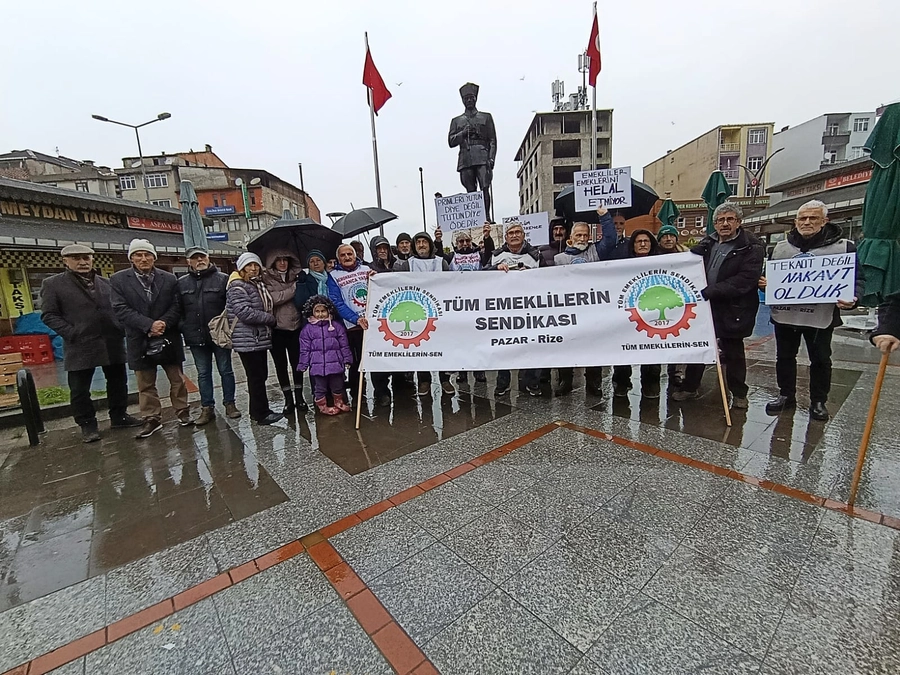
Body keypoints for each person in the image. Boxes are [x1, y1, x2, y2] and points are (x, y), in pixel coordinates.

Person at [763, 200, 862, 421]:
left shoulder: (843, 248)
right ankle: (786, 395)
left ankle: (818, 401)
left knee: (820, 359)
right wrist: (765, 284)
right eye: (803, 218)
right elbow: (769, 278)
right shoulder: (780, 248)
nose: (807, 222)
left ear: (825, 221)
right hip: (786, 314)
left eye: (813, 218)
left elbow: (857, 280)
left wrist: (853, 298)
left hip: (820, 316)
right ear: (795, 221)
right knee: (784, 357)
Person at [40, 244, 141, 442]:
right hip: (80, 344)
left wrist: (120, 327)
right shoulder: (53, 284)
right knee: (79, 388)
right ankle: (87, 424)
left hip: (111, 341)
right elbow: (49, 315)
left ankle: (119, 416)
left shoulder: (106, 283)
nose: (82, 262)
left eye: (86, 258)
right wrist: (71, 332)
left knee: (118, 382)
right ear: (65, 261)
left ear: (92, 259)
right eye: (76, 258)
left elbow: (119, 308)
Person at [675, 204, 765, 409]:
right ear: (715, 223)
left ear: (738, 222)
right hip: (705, 306)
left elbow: (746, 279)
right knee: (697, 348)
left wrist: (712, 291)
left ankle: (739, 393)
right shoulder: (708, 243)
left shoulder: (751, 247)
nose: (725, 223)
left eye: (730, 219)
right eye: (720, 220)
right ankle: (690, 386)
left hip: (733, 307)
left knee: (733, 353)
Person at [110, 239, 190, 438]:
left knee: (177, 379)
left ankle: (182, 410)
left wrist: (163, 323)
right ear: (131, 258)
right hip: (139, 337)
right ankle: (151, 417)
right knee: (145, 383)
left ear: (154, 257)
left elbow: (177, 306)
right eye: (138, 255)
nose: (143, 259)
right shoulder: (119, 280)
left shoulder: (169, 279)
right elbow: (120, 308)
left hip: (167, 335)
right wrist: (148, 325)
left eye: (148, 255)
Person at [553, 209, 617, 397]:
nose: (582, 238)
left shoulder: (595, 251)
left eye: (585, 235)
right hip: (568, 310)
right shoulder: (559, 259)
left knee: (594, 346)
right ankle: (565, 381)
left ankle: (593, 382)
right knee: (565, 346)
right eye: (578, 235)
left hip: (592, 310)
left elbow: (611, 239)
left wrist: (604, 216)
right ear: (571, 238)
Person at [177, 246, 240, 426]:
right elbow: (177, 308)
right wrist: (183, 327)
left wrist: (228, 328)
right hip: (195, 336)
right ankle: (207, 408)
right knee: (203, 373)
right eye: (195, 258)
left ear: (208, 257)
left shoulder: (222, 279)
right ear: (188, 261)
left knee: (226, 370)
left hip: (219, 335)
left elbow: (231, 306)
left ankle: (230, 404)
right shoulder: (181, 283)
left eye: (202, 257)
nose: (199, 260)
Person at [485, 221, 545, 397]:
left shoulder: (535, 256)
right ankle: (502, 383)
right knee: (503, 346)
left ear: (524, 235)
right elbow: (482, 275)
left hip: (529, 310)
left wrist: (531, 274)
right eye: (511, 233)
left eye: (518, 232)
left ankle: (531, 382)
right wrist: (494, 268)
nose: (514, 235)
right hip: (503, 310)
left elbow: (548, 278)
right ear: (506, 237)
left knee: (531, 346)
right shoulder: (496, 256)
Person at [393, 231, 455, 396]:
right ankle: (424, 380)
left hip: (440, 312)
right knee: (421, 347)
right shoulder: (408, 264)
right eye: (418, 242)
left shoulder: (441, 262)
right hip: (418, 312)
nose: (421, 245)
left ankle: (445, 379)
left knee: (442, 346)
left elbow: (452, 284)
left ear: (430, 244)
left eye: (424, 242)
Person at [227, 252, 283, 425]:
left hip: (257, 338)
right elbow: (244, 312)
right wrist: (269, 319)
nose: (253, 268)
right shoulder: (237, 286)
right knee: (256, 377)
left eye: (256, 265)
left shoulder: (255, 284)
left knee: (260, 375)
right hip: (247, 339)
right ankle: (261, 414)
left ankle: (256, 411)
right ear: (241, 268)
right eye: (249, 265)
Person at [433, 224, 491, 384]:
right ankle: (462, 372)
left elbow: (489, 254)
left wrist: (487, 237)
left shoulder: (479, 254)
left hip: (477, 302)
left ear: (471, 241)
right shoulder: (451, 256)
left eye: (467, 241)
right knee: (461, 339)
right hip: (458, 304)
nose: (464, 244)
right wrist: (438, 241)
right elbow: (438, 257)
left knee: (478, 338)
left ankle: (479, 371)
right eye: (461, 241)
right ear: (456, 243)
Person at [612, 230, 664, 399]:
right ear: (632, 245)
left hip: (653, 313)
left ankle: (651, 384)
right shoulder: (624, 265)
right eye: (638, 241)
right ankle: (621, 382)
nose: (642, 244)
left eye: (646, 241)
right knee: (624, 349)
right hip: (628, 313)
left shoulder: (662, 262)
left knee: (653, 351)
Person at [263, 250, 306, 414]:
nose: (282, 263)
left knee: (297, 364)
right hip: (277, 329)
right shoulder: (266, 279)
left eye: (285, 260)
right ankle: (288, 399)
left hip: (296, 327)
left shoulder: (297, 276)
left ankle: (299, 397)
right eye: (278, 260)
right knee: (280, 365)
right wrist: (295, 288)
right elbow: (274, 299)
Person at [297, 295, 354, 415]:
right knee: (320, 388)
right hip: (317, 366)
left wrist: (347, 359)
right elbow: (304, 349)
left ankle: (339, 402)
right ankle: (322, 406)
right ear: (312, 312)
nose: (320, 314)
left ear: (329, 311)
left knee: (338, 385)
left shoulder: (337, 327)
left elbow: (344, 345)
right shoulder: (307, 330)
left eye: (323, 311)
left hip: (335, 364)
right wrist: (303, 364)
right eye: (317, 311)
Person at [327, 243, 371, 396]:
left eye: (349, 254)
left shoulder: (367, 269)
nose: (347, 257)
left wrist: (376, 278)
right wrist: (355, 319)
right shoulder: (333, 276)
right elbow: (336, 302)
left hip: (371, 324)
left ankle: (381, 392)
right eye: (343, 255)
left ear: (355, 255)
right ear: (338, 258)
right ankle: (357, 392)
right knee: (355, 361)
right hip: (351, 326)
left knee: (374, 358)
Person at [448, 82, 497, 218]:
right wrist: (463, 133)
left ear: (475, 98)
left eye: (471, 98)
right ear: (463, 100)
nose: (469, 100)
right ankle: (475, 218)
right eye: (466, 98)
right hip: (465, 158)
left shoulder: (486, 117)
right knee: (471, 191)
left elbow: (492, 140)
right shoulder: (456, 121)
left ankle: (486, 217)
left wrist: (491, 158)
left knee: (485, 188)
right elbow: (451, 141)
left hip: (482, 156)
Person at [656, 225, 688, 387]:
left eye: (671, 236)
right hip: (658, 301)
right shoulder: (652, 256)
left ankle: (676, 372)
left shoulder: (687, 256)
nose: (668, 239)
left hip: (679, 302)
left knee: (679, 338)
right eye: (664, 236)